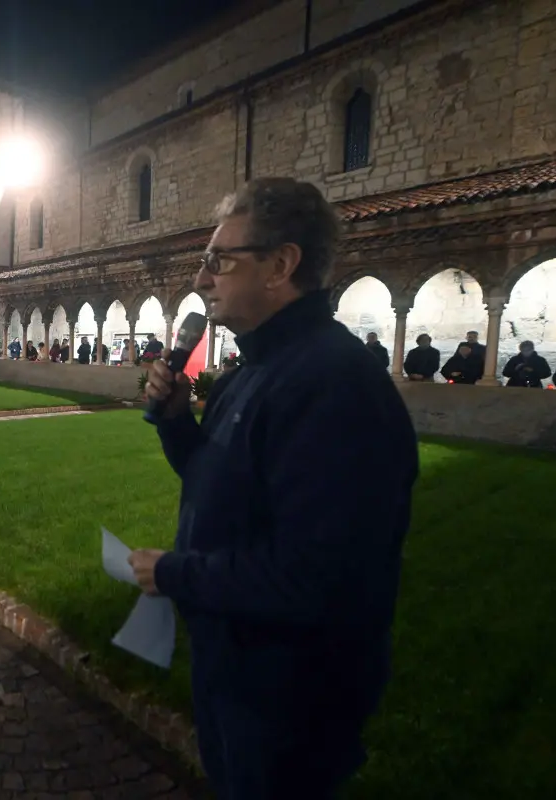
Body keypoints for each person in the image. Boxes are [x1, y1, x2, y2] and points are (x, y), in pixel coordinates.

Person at [129, 178, 419, 800]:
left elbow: (313, 578)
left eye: (219, 260)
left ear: (281, 265)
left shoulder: (334, 385)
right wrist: (178, 422)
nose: (202, 279)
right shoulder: (251, 372)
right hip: (235, 670)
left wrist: (174, 573)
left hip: (289, 694)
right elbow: (214, 482)